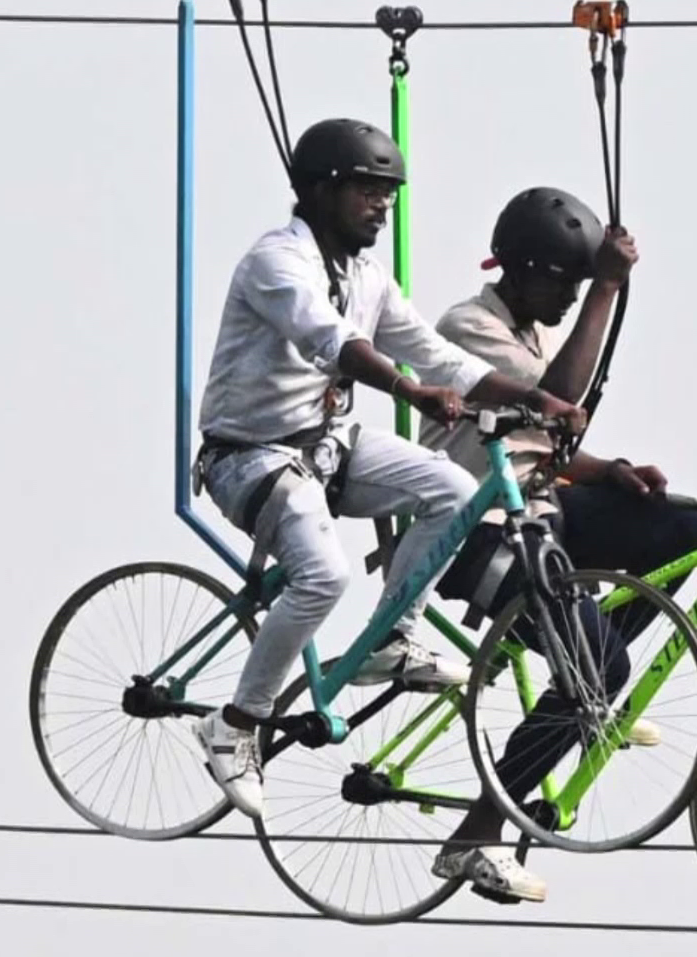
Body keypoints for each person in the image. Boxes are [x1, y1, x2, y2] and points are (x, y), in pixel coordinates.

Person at [192, 120, 588, 823]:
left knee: (455, 491)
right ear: (319, 192)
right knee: (324, 575)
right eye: (368, 192)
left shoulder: (368, 278)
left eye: (389, 195)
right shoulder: (275, 264)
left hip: (327, 446)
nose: (382, 206)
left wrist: (537, 399)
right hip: (248, 455)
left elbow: (441, 357)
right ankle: (237, 722)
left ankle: (389, 638)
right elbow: (333, 340)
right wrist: (408, 392)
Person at [418, 186, 697, 903]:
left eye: (582, 284)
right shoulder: (467, 326)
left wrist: (606, 470)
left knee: (686, 527)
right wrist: (608, 290)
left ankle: (588, 676)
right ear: (522, 270)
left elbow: (541, 441)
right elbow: (550, 397)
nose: (571, 297)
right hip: (477, 532)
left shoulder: (534, 329)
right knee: (601, 670)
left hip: (540, 512)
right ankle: (476, 832)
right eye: (566, 283)